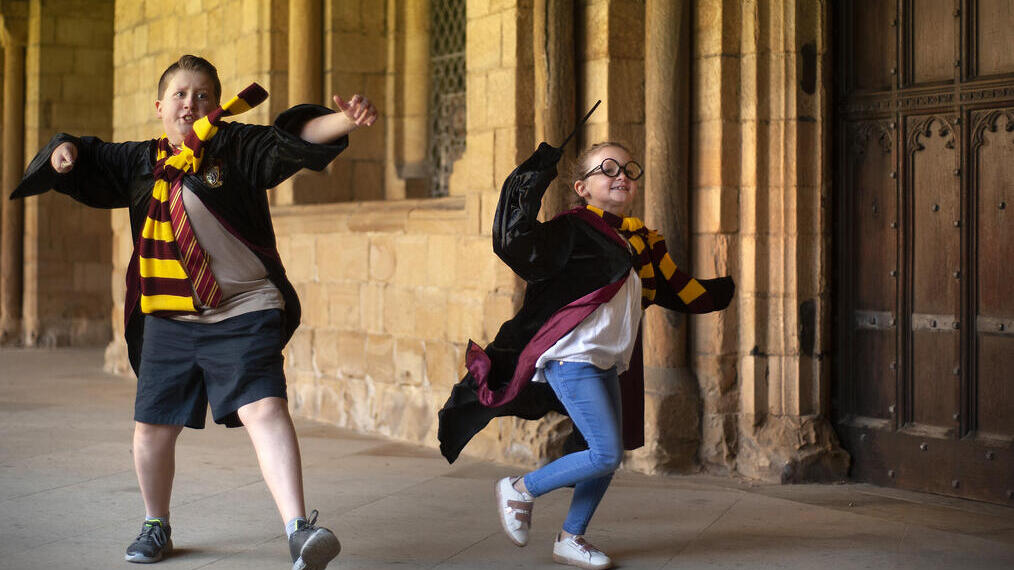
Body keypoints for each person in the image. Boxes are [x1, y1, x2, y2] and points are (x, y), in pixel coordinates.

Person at [10, 55, 377, 570]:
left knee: (265, 409)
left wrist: (345, 120)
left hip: (245, 309)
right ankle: (155, 525)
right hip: (170, 317)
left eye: (203, 95)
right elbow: (87, 156)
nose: (191, 103)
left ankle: (299, 529)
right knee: (152, 428)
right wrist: (63, 154)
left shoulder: (236, 146)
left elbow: (289, 140)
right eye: (180, 95)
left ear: (217, 106)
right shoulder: (141, 161)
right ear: (160, 107)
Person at [437, 140, 734, 569]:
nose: (621, 176)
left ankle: (571, 537)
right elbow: (514, 239)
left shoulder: (639, 240)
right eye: (607, 169)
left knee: (607, 455)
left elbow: (674, 286)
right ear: (581, 186)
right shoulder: (571, 229)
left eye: (628, 170)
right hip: (571, 358)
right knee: (605, 451)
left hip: (608, 362)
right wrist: (536, 172)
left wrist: (722, 291)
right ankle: (520, 489)